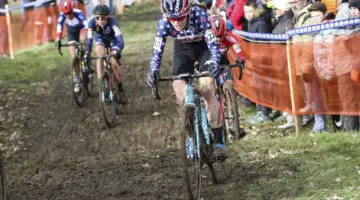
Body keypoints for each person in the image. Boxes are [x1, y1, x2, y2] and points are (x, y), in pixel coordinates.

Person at [146, 0, 226, 160]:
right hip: (182, 49)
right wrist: (153, 70)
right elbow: (157, 50)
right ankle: (190, 135)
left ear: (188, 12)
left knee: (207, 87)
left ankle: (218, 141)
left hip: (203, 48)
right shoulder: (164, 22)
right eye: (172, 19)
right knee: (180, 94)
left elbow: (212, 44)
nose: (176, 22)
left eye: (180, 18)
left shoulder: (199, 15)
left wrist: (216, 62)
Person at [86, 4, 127, 104]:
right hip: (100, 39)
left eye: (103, 18)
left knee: (113, 63)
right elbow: (90, 39)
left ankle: (120, 87)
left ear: (107, 17)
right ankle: (101, 82)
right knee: (99, 55)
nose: (100, 20)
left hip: (113, 40)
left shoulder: (113, 22)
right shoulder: (91, 23)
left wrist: (118, 51)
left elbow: (120, 39)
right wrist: (87, 51)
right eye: (97, 18)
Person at [243, 0, 272, 124]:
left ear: (255, 10)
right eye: (246, 12)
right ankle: (259, 111)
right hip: (253, 59)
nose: (248, 14)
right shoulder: (251, 23)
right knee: (256, 86)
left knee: (262, 86)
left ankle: (265, 113)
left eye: (250, 11)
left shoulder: (261, 23)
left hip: (262, 60)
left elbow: (262, 43)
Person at [55, 0, 86, 93]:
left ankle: (86, 61)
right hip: (72, 33)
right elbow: (59, 28)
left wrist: (84, 41)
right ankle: (77, 79)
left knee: (83, 43)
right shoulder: (61, 16)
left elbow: (86, 25)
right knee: (74, 57)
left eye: (69, 13)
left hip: (81, 30)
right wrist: (58, 40)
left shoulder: (78, 13)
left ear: (72, 10)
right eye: (65, 13)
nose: (67, 15)